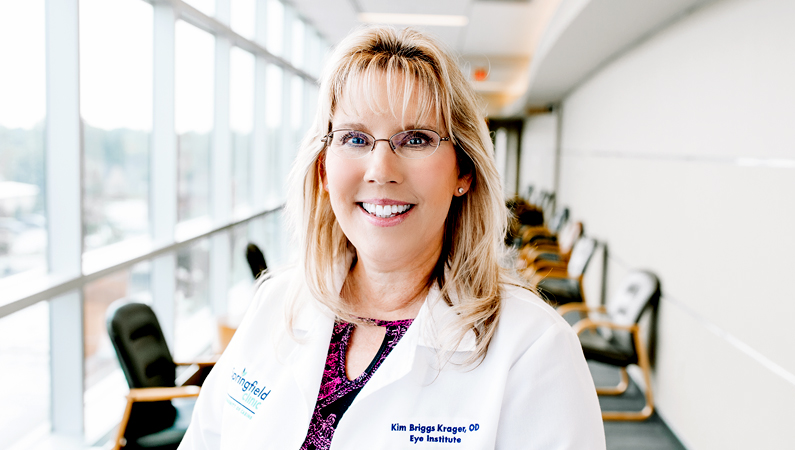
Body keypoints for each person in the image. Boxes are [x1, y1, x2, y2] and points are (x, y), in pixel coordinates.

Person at [178, 26, 605, 449]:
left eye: (416, 138)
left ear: (464, 171)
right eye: (355, 138)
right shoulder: (275, 303)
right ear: (324, 169)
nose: (381, 169)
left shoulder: (535, 348)